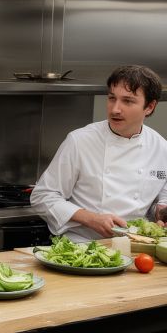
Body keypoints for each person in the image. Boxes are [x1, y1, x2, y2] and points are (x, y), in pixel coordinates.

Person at [31, 65, 167, 242]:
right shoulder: (80, 141)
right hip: (82, 247)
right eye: (112, 98)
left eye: (128, 101)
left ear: (149, 107)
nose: (115, 109)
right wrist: (91, 219)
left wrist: (161, 212)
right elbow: (42, 196)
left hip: (138, 248)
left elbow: (162, 199)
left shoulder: (161, 147)